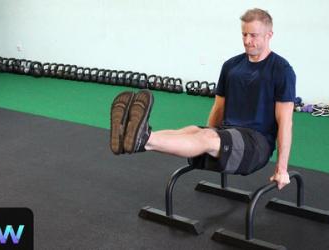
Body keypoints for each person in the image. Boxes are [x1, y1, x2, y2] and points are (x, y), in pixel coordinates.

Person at [110, 8, 295, 190]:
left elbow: (285, 121)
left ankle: (143, 138)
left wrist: (282, 168)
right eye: (244, 35)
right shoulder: (231, 66)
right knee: (193, 130)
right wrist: (208, 132)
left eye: (253, 35)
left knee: (206, 137)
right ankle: (137, 140)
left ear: (269, 35)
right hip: (229, 132)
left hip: (256, 143)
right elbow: (218, 107)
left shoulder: (281, 69)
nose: (247, 41)